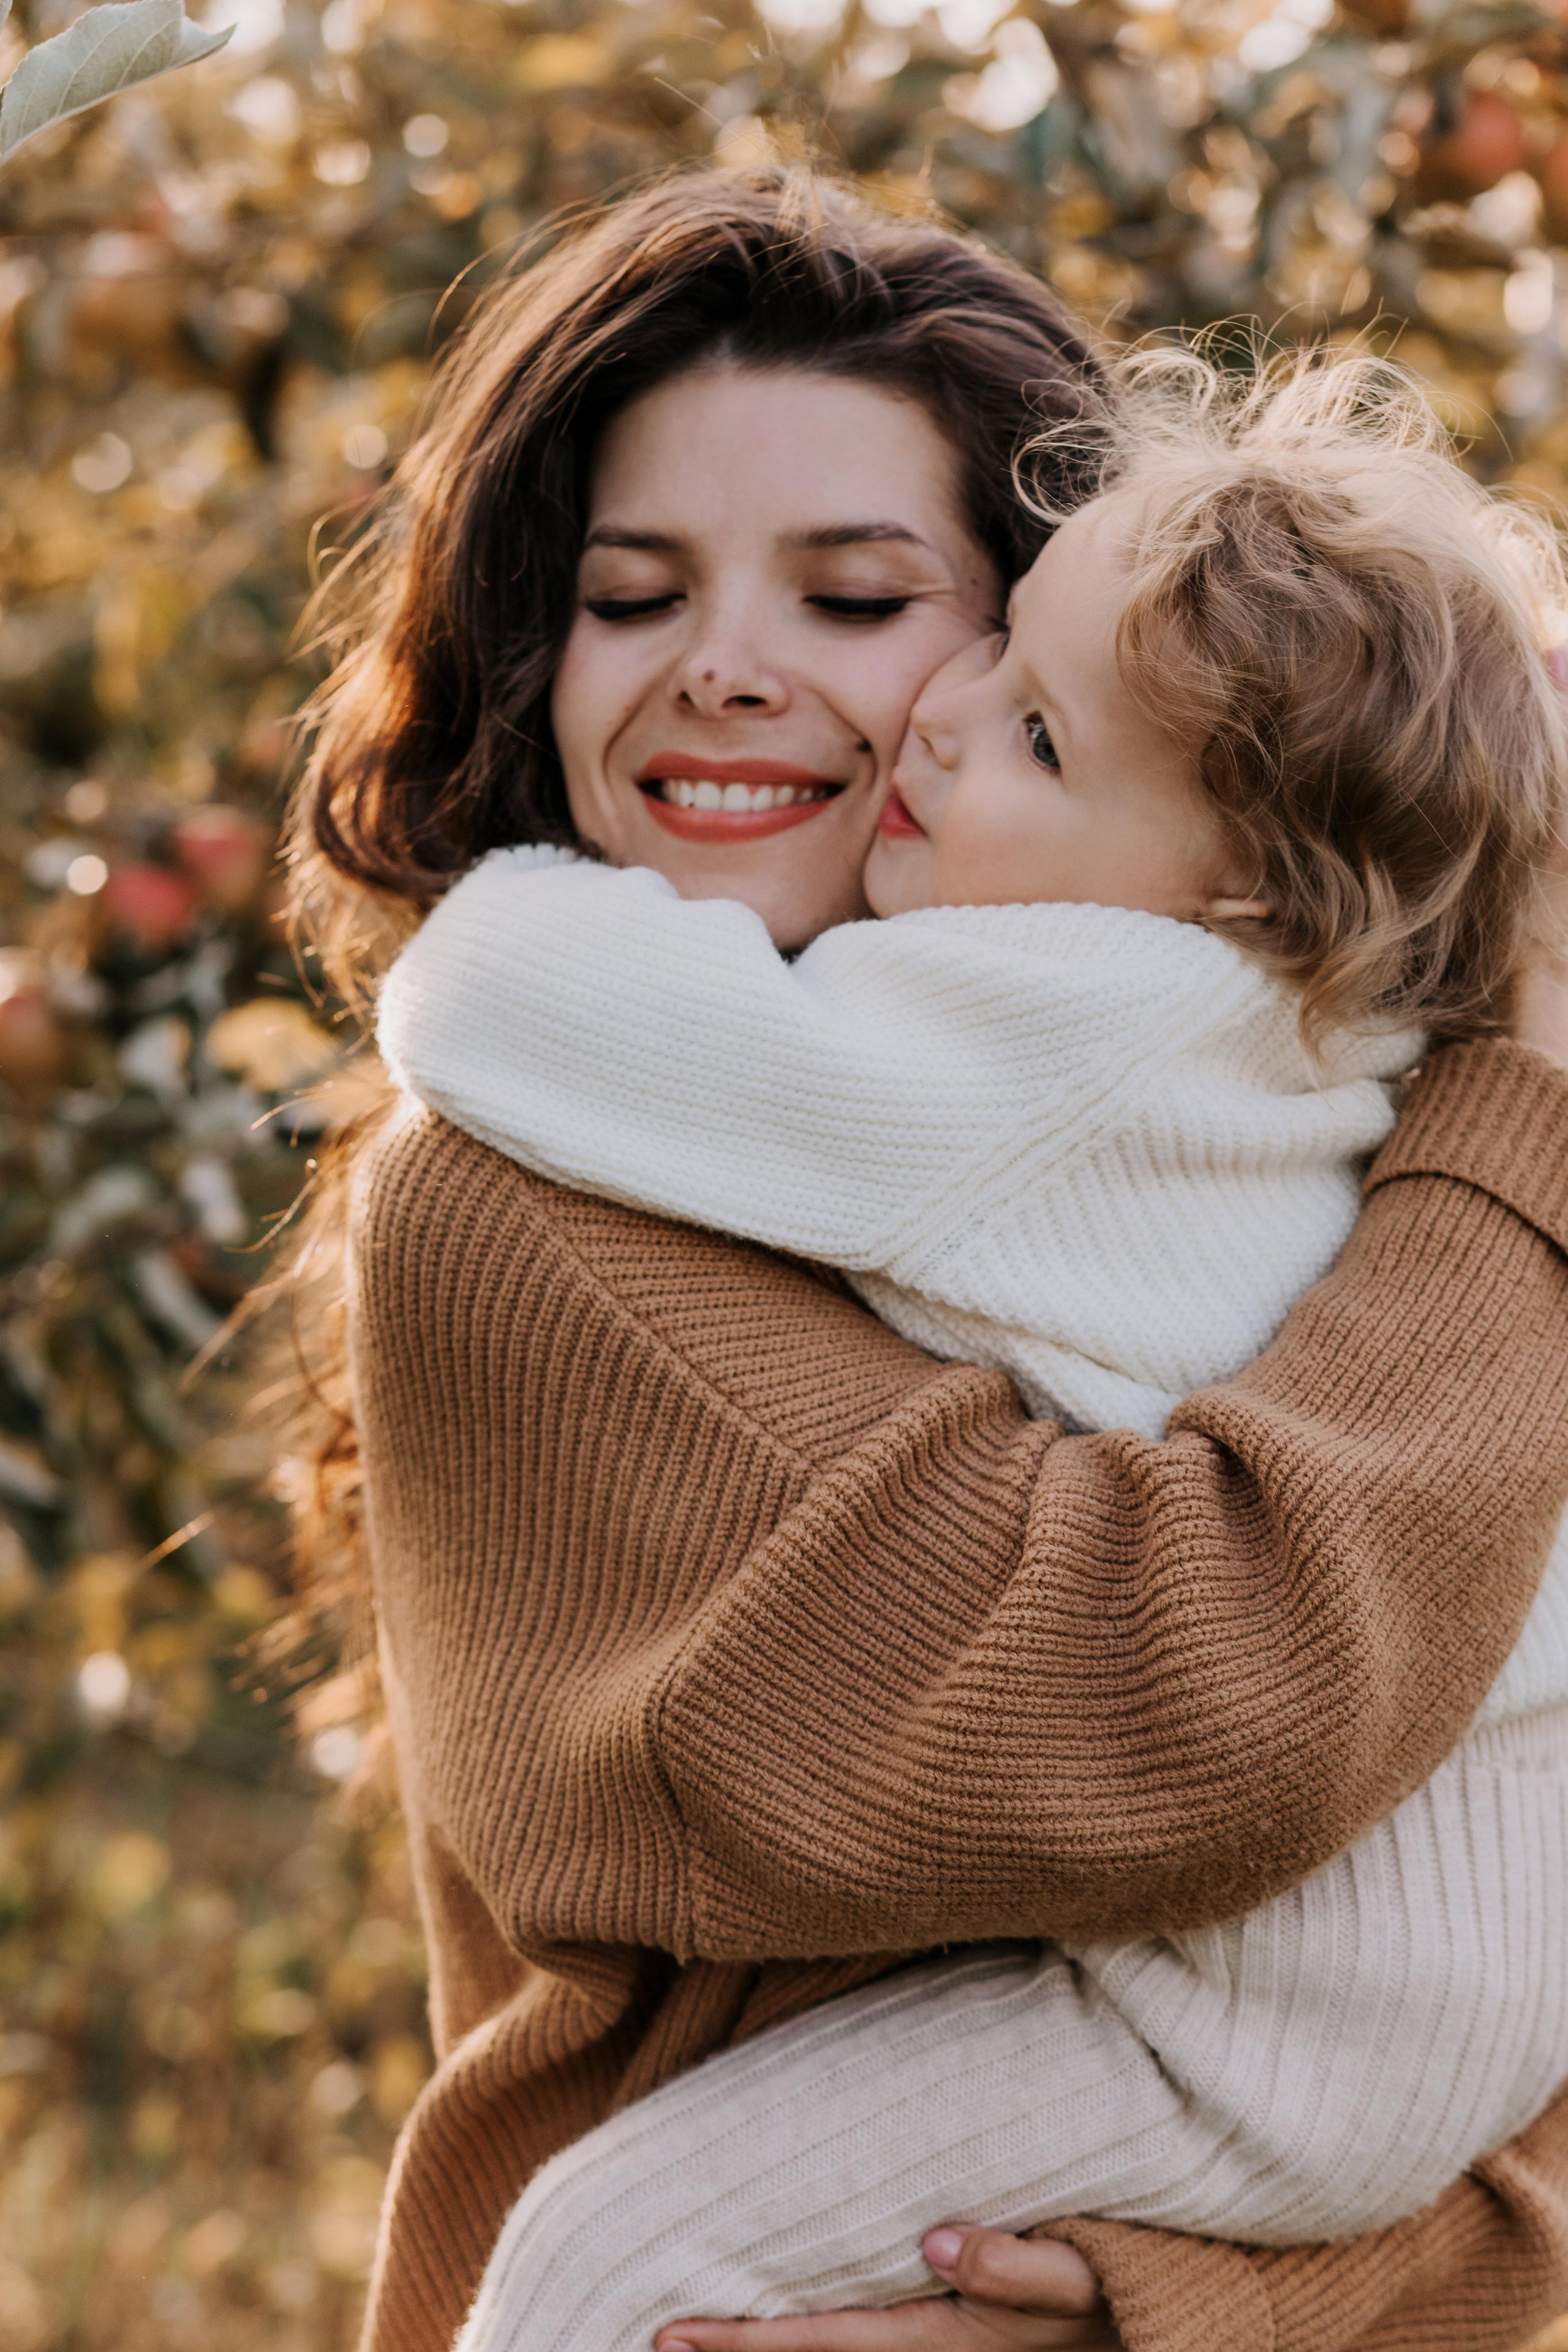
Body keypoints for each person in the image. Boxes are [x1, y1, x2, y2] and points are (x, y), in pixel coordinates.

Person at [283, 165, 1568, 2352]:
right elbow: (1192, 1709)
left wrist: (1163, 2316)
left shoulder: (1300, 1119)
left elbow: (1503, 2114)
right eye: (629, 591)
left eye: (863, 601)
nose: (723, 671)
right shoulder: (514, 1217)